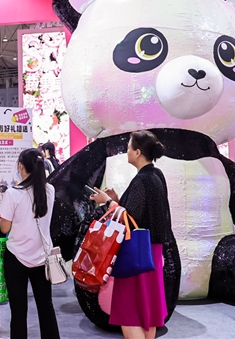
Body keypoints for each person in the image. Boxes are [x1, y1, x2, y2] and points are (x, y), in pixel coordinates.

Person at [90, 130, 171, 339]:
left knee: (129, 313)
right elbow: (139, 213)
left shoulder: (141, 180)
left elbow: (128, 218)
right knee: (147, 311)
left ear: (137, 152)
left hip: (135, 253)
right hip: (152, 251)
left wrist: (107, 202)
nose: (126, 151)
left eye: (128, 147)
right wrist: (117, 200)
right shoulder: (156, 175)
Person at [0, 148, 61, 339]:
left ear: (21, 166)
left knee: (18, 312)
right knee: (46, 307)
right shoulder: (49, 190)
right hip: (42, 257)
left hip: (16, 258)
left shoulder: (12, 194)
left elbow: (4, 228)